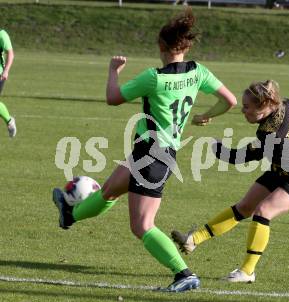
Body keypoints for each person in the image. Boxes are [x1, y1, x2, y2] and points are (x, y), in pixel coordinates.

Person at [51, 8, 237, 292]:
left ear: (161, 47)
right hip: (157, 152)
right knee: (110, 189)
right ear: (185, 46)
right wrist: (204, 115)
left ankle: (184, 273)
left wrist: (113, 71)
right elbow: (229, 100)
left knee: (142, 225)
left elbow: (113, 98)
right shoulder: (198, 71)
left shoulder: (155, 78)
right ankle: (69, 214)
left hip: (153, 155)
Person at [172, 80, 289, 283]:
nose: (243, 111)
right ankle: (193, 240)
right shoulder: (287, 105)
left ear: (262, 106)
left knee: (263, 212)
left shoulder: (269, 134)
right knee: (244, 207)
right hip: (282, 171)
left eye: (246, 107)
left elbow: (243, 157)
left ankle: (247, 271)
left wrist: (218, 149)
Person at [0, 29, 16, 138]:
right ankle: (9, 120)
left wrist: (6, 71)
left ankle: (9, 121)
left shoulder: (2, 34)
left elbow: (10, 53)